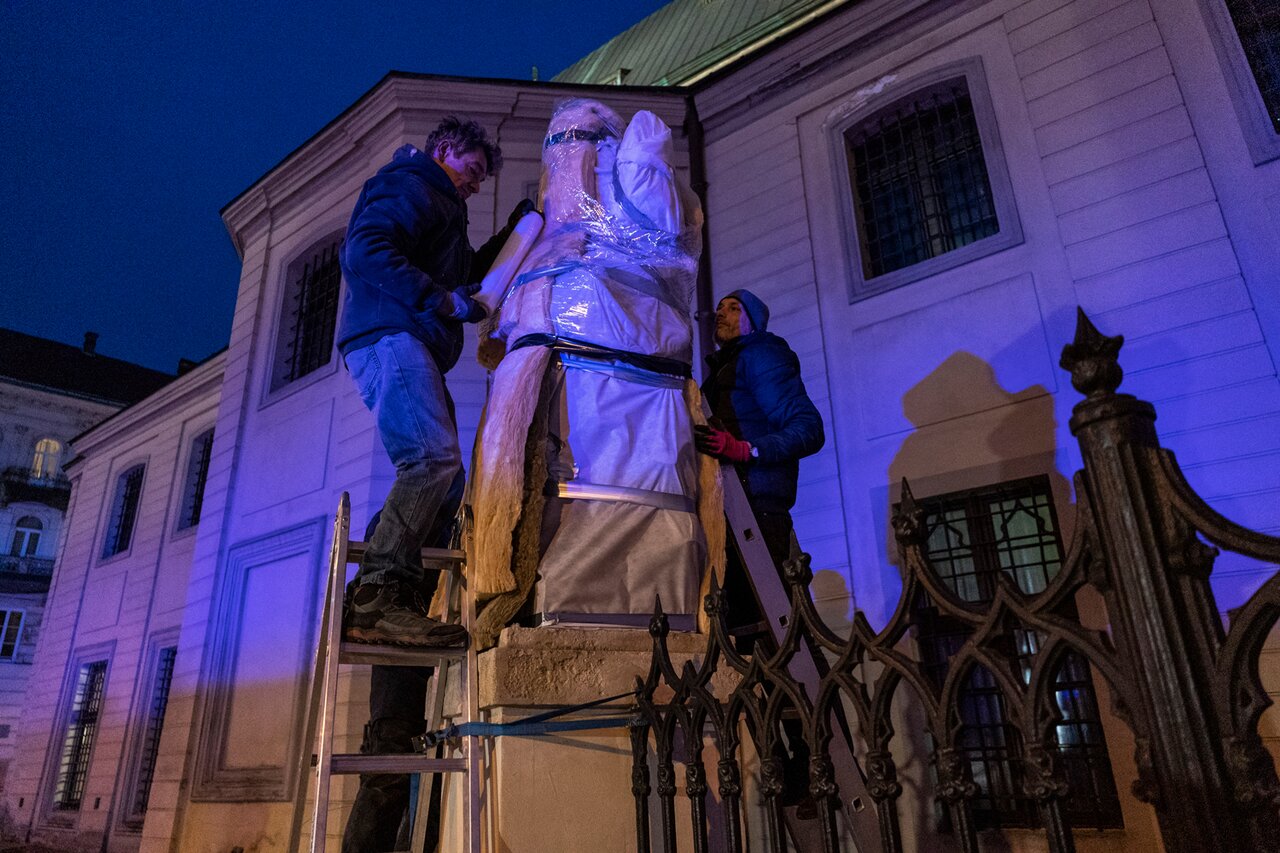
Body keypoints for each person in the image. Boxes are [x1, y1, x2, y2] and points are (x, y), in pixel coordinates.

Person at [335, 115, 530, 853]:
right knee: (434, 463)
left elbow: (465, 279)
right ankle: (378, 593)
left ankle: (400, 596)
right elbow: (367, 250)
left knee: (443, 491)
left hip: (405, 339)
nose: (479, 180)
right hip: (393, 338)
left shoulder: (443, 209)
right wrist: (447, 304)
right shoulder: (414, 181)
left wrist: (511, 235)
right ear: (449, 151)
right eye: (477, 167)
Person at [696, 288, 824, 601]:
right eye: (720, 307)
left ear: (754, 321)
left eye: (734, 308)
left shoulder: (762, 355)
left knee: (784, 622)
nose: (722, 313)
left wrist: (746, 449)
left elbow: (809, 428)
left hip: (758, 507)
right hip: (728, 503)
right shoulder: (723, 369)